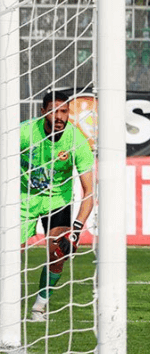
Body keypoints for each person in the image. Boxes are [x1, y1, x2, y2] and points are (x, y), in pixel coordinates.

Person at [20, 90, 95, 322]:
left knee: (59, 251)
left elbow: (89, 191)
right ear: (43, 112)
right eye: (54, 111)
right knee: (11, 255)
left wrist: (77, 228)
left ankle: (39, 307)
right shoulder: (23, 133)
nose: (60, 116)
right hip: (23, 198)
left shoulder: (77, 141)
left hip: (57, 201)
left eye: (64, 111)